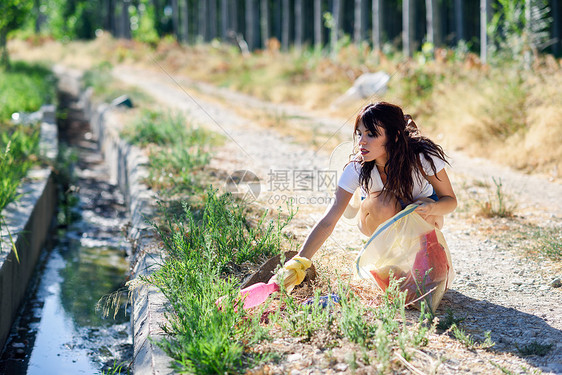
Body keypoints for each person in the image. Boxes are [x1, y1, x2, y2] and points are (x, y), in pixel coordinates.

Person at [297, 101, 457, 261]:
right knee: (382, 202)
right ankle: (388, 264)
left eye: (371, 134)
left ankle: (421, 263)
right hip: (375, 219)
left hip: (423, 220)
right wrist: (299, 260)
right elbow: (328, 220)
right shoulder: (356, 167)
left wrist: (431, 208)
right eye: (359, 133)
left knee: (419, 208)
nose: (361, 142)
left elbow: (450, 201)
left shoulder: (423, 158)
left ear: (395, 137)